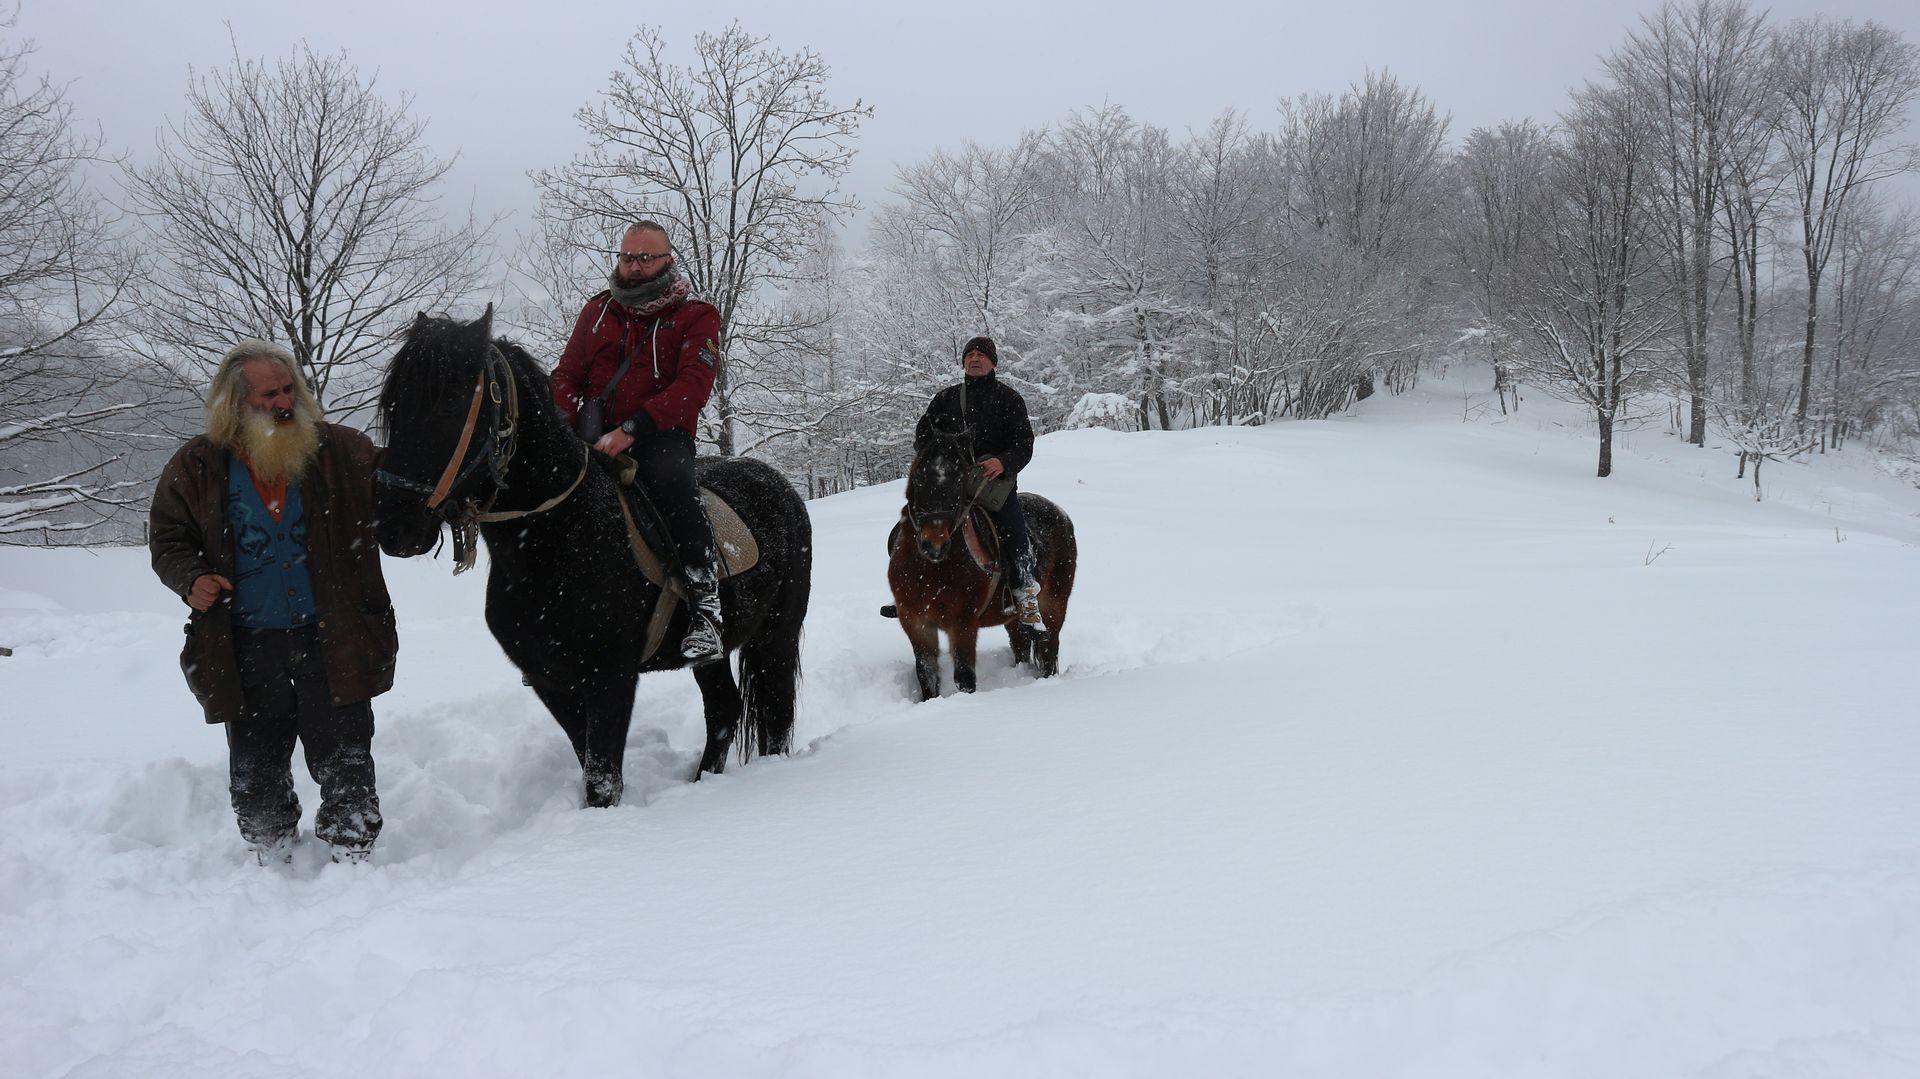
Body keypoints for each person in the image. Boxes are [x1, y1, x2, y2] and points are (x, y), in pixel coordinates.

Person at [149, 340, 396, 865]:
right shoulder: (196, 466)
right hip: (244, 643)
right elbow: (168, 539)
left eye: (289, 389)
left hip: (333, 636)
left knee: (346, 757)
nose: (285, 402)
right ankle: (271, 851)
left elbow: (402, 495)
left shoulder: (342, 451)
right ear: (235, 404)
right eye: (269, 394)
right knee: (256, 765)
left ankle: (352, 854)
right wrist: (191, 578)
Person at [552, 220, 725, 664]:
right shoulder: (597, 312)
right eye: (627, 257)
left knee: (673, 484)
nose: (633, 266)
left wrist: (632, 429)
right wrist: (564, 423)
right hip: (590, 436)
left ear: (667, 261)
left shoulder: (695, 316)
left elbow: (693, 384)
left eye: (645, 258)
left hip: (660, 436)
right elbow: (568, 374)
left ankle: (706, 607)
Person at [914, 335, 1045, 631]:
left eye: (982, 355)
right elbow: (923, 436)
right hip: (951, 486)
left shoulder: (1009, 399)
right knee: (914, 524)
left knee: (1013, 530)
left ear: (993, 362)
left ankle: (1025, 596)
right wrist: (939, 457)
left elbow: (1024, 444)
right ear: (962, 362)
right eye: (969, 355)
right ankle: (913, 593)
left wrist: (1003, 462)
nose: (975, 359)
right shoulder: (945, 399)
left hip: (993, 486)